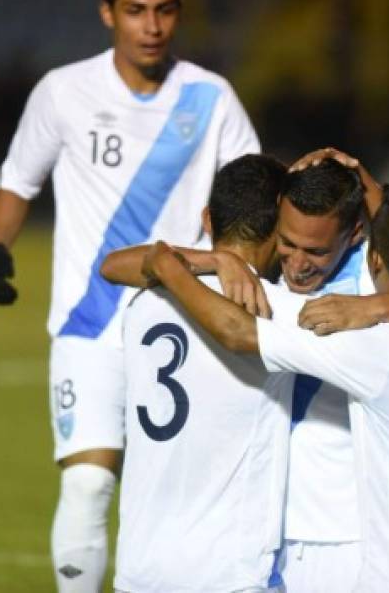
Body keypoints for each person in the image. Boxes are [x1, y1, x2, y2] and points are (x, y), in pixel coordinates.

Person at [0, 0, 260, 592]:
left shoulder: (209, 97)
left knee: (183, 498)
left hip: (184, 325)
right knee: (88, 481)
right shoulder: (63, 92)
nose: (151, 26)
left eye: (163, 11)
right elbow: (17, 184)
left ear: (179, 13)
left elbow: (248, 193)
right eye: (136, 11)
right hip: (90, 322)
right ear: (107, 13)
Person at [102, 153, 389, 591]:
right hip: (272, 526)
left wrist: (372, 306)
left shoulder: (368, 285)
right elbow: (114, 265)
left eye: (316, 251)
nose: (297, 264)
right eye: (287, 243)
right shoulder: (262, 282)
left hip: (350, 531)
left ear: (360, 238)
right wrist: (217, 260)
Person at [115, 154, 295, 592]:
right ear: (279, 230)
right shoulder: (277, 311)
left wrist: (201, 262)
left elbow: (113, 264)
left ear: (206, 219)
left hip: (140, 568)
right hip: (228, 571)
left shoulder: (143, 303)